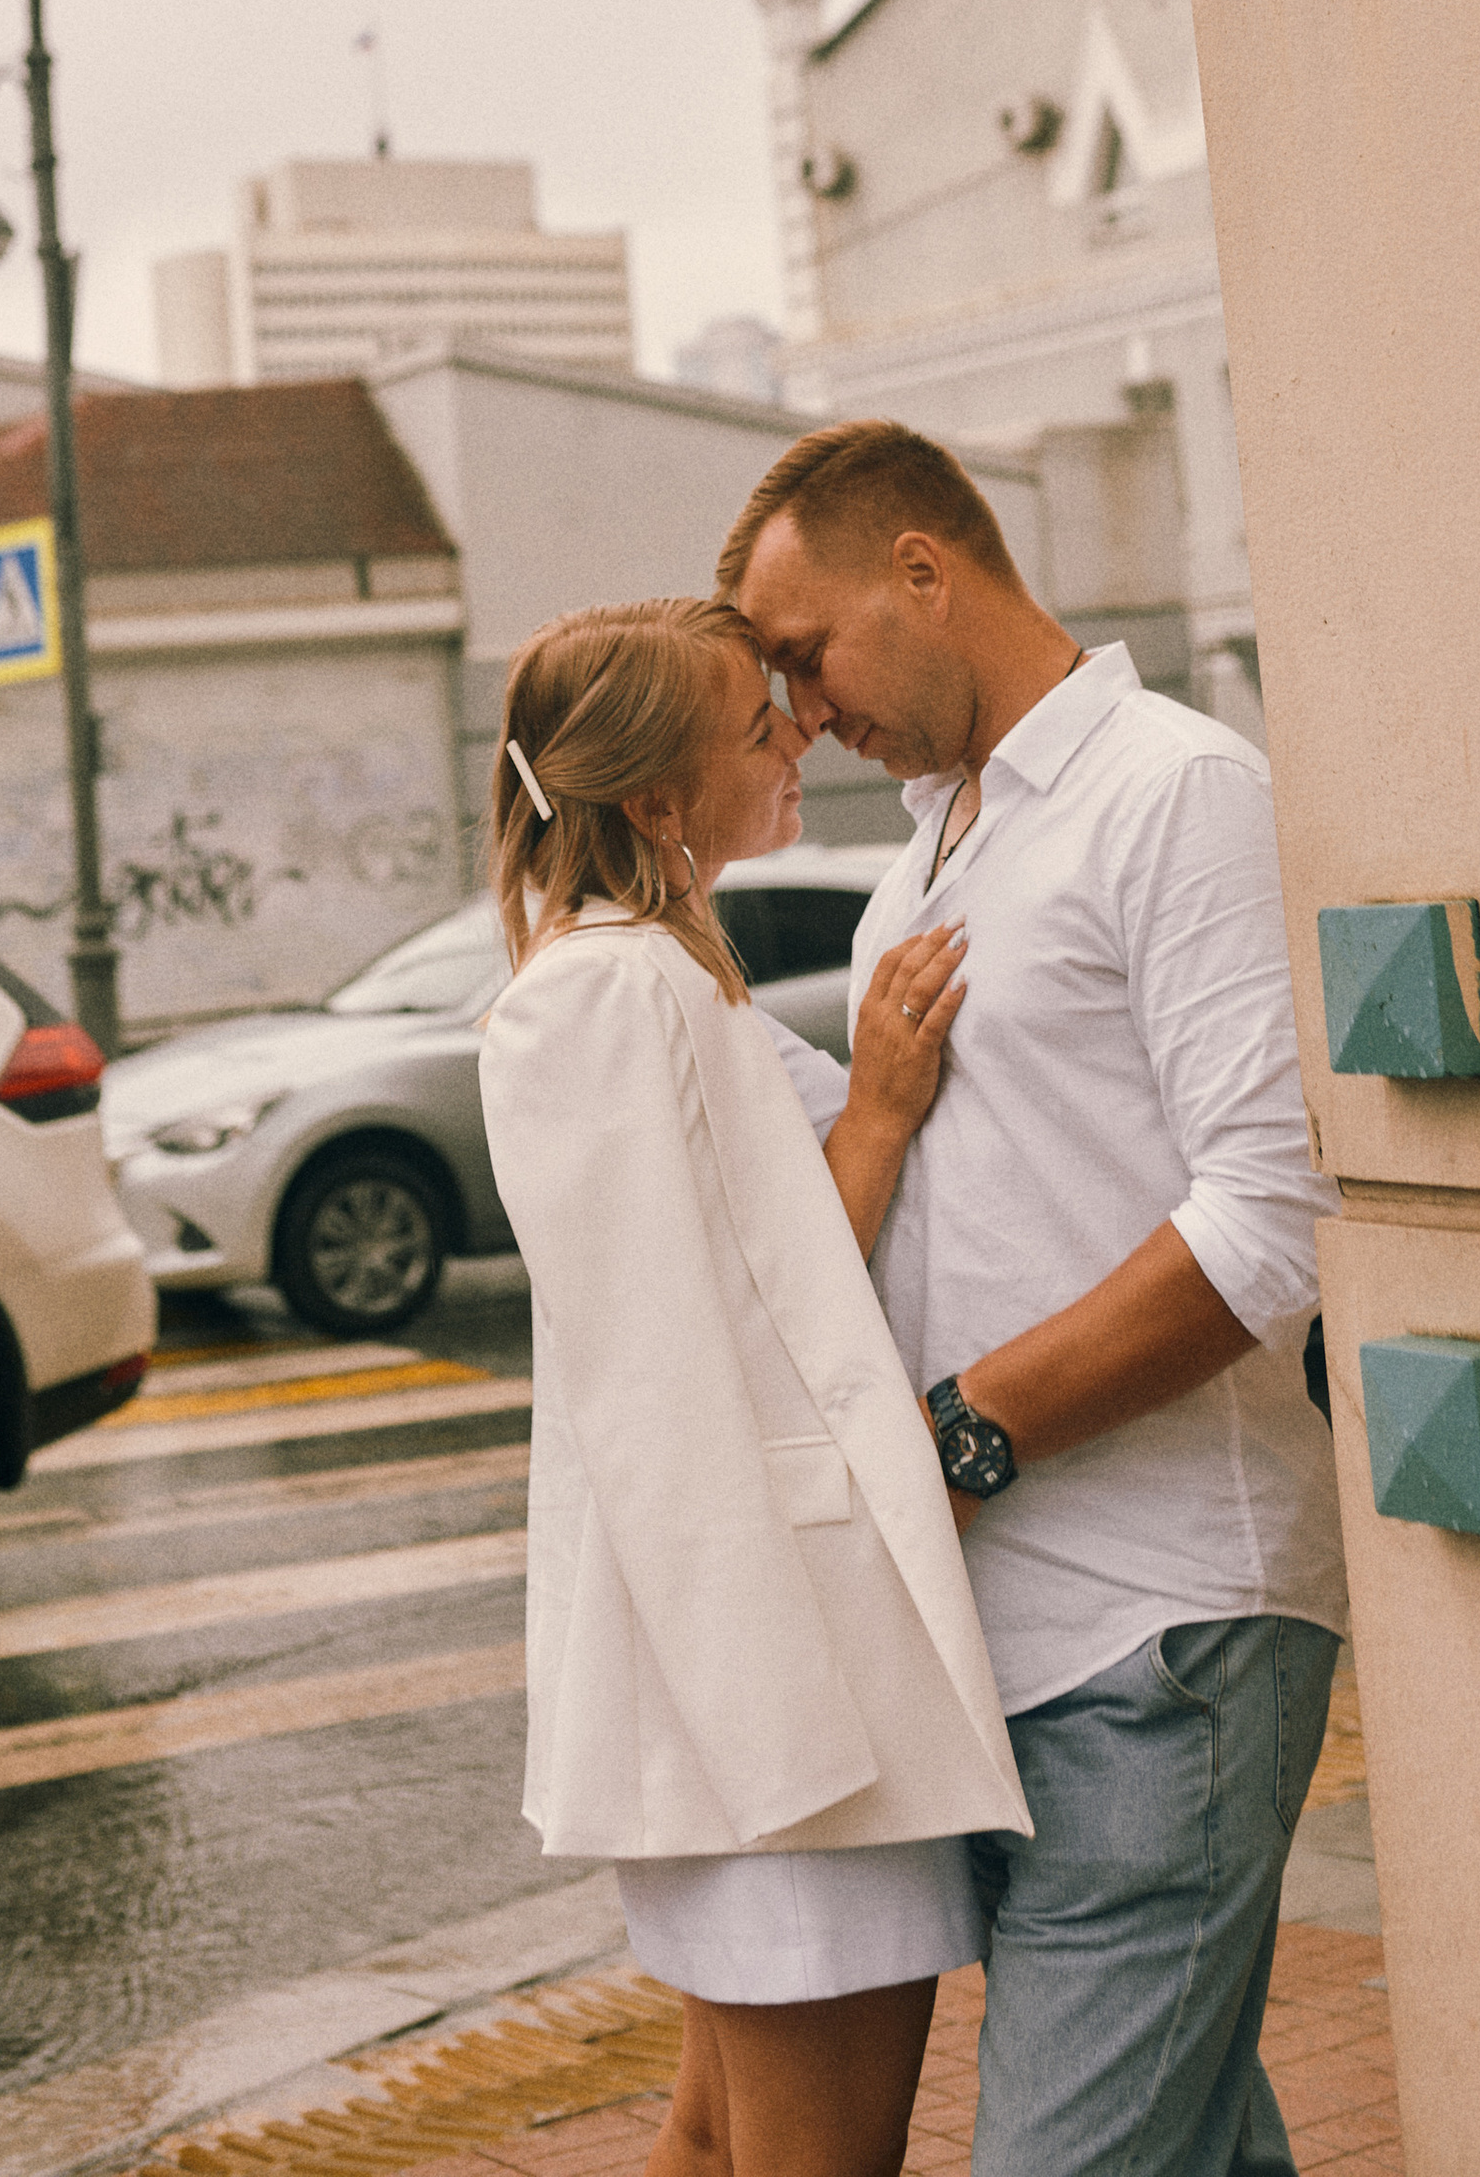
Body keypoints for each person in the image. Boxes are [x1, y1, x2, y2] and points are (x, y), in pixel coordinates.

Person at [718, 422, 1348, 2177]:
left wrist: (953, 1441)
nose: (798, 708)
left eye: (806, 653)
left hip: (1161, 1635)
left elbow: (1270, 1220)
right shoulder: (925, 850)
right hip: (1004, 1653)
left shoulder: (1174, 790)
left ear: (926, 568)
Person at [477, 596, 1032, 2177]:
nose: (795, 736)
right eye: (756, 728)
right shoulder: (599, 995)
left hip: (786, 1692)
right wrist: (878, 1113)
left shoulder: (654, 973)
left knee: (719, 2144)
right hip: (778, 1696)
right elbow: (678, 1359)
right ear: (657, 799)